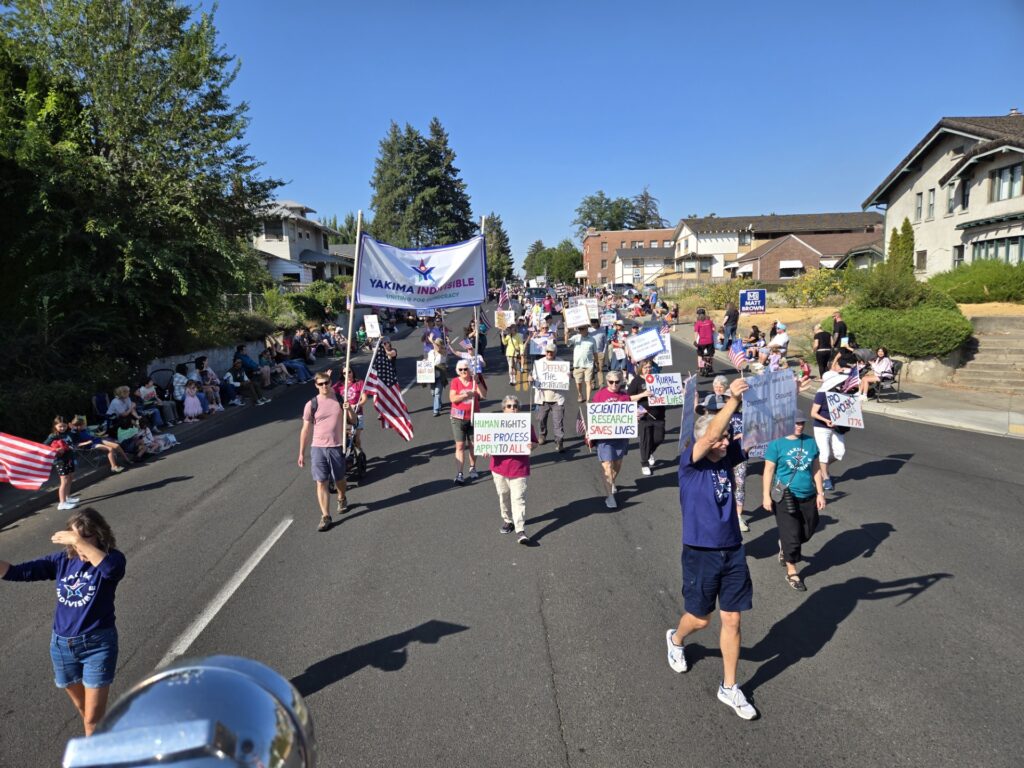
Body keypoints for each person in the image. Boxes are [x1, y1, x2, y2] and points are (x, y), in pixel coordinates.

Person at [666, 376, 758, 721]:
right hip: (700, 551)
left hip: (733, 548)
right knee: (701, 619)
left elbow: (754, 436)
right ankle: (677, 639)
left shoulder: (726, 456)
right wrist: (732, 400)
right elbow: (708, 436)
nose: (724, 442)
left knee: (732, 619)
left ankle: (729, 686)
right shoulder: (690, 464)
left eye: (726, 437)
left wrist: (775, 395)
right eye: (720, 438)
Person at [1, 507, 126, 736]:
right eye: (75, 537)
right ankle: (104, 739)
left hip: (97, 645)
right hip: (62, 648)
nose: (79, 544)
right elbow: (17, 572)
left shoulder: (112, 559)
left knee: (92, 718)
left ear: (100, 535)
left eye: (86, 536)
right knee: (84, 709)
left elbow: (111, 571)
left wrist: (78, 541)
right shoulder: (62, 561)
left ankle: (95, 750)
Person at [762, 415, 825, 592]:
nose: (799, 426)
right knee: (792, 536)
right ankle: (792, 572)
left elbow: (816, 468)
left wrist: (820, 493)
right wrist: (766, 495)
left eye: (802, 423)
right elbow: (768, 470)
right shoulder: (776, 444)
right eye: (796, 423)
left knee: (808, 529)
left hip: (808, 495)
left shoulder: (810, 442)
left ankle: (785, 546)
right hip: (785, 495)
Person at [298, 372, 354, 532]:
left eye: (326, 382)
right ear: (316, 385)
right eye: (320, 384)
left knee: (339, 478)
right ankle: (326, 516)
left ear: (330, 382)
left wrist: (349, 409)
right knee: (321, 481)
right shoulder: (311, 404)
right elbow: (305, 430)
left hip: (336, 446)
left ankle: (342, 497)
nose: (324, 386)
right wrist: (301, 452)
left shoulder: (339, 399)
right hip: (318, 448)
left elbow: (354, 421)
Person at [490, 395, 538, 545]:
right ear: (503, 409)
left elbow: (535, 442)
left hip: (519, 468)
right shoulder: (494, 424)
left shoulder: (525, 425)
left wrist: (532, 445)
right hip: (499, 468)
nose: (512, 409)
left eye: (515, 406)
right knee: (503, 496)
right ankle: (507, 520)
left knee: (518, 498)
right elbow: (486, 441)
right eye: (509, 406)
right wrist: (484, 449)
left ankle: (520, 530)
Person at [591, 370, 631, 508]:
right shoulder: (599, 395)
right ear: (607, 382)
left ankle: (612, 481)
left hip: (620, 436)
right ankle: (610, 497)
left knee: (617, 464)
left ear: (621, 382)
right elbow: (593, 415)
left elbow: (630, 413)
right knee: (607, 466)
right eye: (611, 382)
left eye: (617, 382)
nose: (614, 384)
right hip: (604, 438)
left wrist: (636, 416)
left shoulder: (625, 396)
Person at [449, 358, 487, 485]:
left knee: (473, 445)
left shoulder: (475, 380)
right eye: (460, 370)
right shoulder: (455, 381)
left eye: (465, 369)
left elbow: (483, 395)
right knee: (460, 446)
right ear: (457, 371)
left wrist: (478, 382)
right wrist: (466, 395)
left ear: (469, 369)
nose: (463, 371)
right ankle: (460, 473)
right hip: (458, 418)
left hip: (473, 417)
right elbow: (453, 398)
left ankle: (473, 467)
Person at [810, 369, 849, 491]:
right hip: (821, 426)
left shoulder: (841, 394)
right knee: (824, 453)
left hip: (837, 427)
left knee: (839, 453)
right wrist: (826, 420)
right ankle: (825, 477)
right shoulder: (821, 394)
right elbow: (813, 413)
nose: (841, 384)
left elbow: (846, 410)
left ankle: (818, 466)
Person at [626, 358, 665, 475]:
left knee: (659, 438)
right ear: (641, 369)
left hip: (659, 414)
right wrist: (642, 394)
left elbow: (669, 391)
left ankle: (649, 452)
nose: (648, 369)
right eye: (645, 367)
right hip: (644, 415)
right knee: (645, 440)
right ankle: (644, 463)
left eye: (649, 367)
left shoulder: (658, 379)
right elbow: (628, 398)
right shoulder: (637, 381)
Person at [531, 342, 566, 451]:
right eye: (547, 351)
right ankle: (542, 435)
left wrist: (568, 376)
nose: (549, 353)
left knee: (558, 422)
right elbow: (534, 378)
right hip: (543, 399)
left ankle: (559, 441)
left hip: (557, 399)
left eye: (551, 352)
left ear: (555, 352)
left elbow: (565, 379)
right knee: (541, 419)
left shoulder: (561, 363)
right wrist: (531, 378)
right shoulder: (539, 363)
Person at [45, 416, 79, 510]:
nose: (63, 428)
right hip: (60, 461)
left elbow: (76, 438)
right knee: (64, 480)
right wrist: (56, 449)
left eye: (64, 426)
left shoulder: (68, 433)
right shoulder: (53, 436)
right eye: (60, 426)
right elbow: (44, 446)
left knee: (70, 478)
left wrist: (74, 430)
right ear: (55, 426)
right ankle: (62, 503)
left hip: (70, 458)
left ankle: (67, 497)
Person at [568, 326, 596, 402]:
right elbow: (567, 343)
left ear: (587, 329)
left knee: (588, 382)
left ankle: (588, 400)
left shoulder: (592, 339)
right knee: (578, 382)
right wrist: (566, 333)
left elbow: (595, 352)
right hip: (578, 364)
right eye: (580, 329)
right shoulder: (575, 337)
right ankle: (580, 394)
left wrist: (597, 362)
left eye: (582, 329)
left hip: (589, 364)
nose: (581, 330)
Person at [426, 338, 448, 417]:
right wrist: (425, 362)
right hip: (432, 376)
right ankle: (439, 403)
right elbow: (428, 361)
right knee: (433, 393)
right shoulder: (430, 352)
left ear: (441, 345)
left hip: (440, 376)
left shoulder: (443, 352)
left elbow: (439, 350)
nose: (436, 346)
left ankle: (436, 410)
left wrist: (432, 341)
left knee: (437, 393)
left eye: (438, 345)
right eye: (436, 344)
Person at [694, 309, 716, 377]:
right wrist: (710, 333)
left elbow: (696, 333)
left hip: (702, 342)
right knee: (710, 354)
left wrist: (695, 341)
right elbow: (714, 329)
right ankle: (710, 367)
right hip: (710, 341)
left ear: (698, 315)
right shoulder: (710, 321)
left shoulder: (698, 323)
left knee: (700, 355)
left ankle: (700, 367)